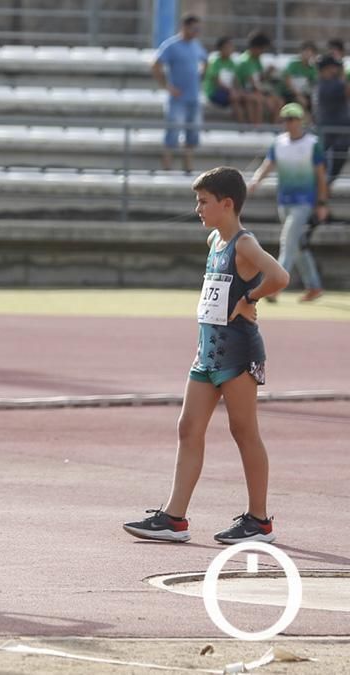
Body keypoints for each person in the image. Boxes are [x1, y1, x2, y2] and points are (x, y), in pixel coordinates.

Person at [123, 167, 289, 545]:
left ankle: (259, 521)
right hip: (207, 352)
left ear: (226, 204)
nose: (197, 208)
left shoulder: (244, 244)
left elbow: (280, 277)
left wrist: (250, 298)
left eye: (203, 201)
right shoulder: (214, 239)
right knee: (188, 427)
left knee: (243, 431)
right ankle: (174, 518)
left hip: (239, 352)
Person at [247, 103, 328, 303]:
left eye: (292, 119)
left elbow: (321, 176)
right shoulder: (279, 143)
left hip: (304, 202)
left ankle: (274, 286)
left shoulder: (312, 144)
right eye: (285, 119)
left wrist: (322, 202)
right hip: (284, 201)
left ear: (301, 120)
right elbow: (268, 165)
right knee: (298, 245)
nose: (288, 123)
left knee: (288, 241)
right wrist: (255, 181)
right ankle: (314, 286)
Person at [153, 15, 208, 171]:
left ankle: (188, 167)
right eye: (194, 28)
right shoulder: (171, 45)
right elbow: (156, 65)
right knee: (173, 132)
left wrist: (201, 76)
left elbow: (205, 60)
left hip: (194, 97)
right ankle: (167, 167)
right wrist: (167, 86)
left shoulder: (196, 45)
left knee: (192, 133)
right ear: (184, 27)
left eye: (199, 29)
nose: (197, 32)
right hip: (177, 99)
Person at [313, 54, 350, 183]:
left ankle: (326, 184)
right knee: (323, 160)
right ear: (326, 68)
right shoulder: (327, 84)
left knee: (336, 159)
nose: (336, 69)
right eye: (333, 67)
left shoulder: (332, 82)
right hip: (331, 129)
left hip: (339, 129)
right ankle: (324, 185)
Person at [235, 30, 283, 127]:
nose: (263, 52)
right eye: (263, 49)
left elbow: (259, 79)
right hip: (244, 92)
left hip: (255, 90)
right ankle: (256, 129)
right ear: (256, 48)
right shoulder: (245, 61)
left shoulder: (256, 59)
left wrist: (268, 73)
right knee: (258, 100)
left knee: (279, 101)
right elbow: (252, 84)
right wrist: (266, 97)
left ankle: (273, 128)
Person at [204, 37, 251, 124]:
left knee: (246, 97)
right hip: (215, 92)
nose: (230, 50)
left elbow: (235, 80)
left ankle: (253, 125)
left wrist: (240, 91)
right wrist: (232, 91)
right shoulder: (215, 62)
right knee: (234, 98)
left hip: (229, 91)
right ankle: (242, 125)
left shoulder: (231, 62)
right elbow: (217, 82)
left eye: (231, 47)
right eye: (228, 47)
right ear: (220, 49)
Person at [279, 41, 319, 112]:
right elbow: (288, 81)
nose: (307, 54)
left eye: (310, 52)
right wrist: (298, 95)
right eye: (306, 51)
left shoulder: (312, 69)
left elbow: (315, 83)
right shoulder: (294, 65)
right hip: (291, 93)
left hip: (305, 94)